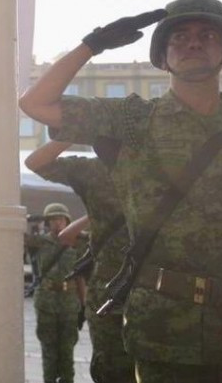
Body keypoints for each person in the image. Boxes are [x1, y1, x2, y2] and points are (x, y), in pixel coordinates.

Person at [18, 0, 222, 382]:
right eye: (179, 36)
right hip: (165, 332)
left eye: (208, 34)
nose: (193, 42)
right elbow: (35, 104)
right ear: (163, 57)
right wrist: (93, 44)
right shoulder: (134, 120)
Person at [25, 140, 134, 383]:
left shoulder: (154, 164)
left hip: (137, 294)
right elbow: (35, 162)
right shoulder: (96, 170)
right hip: (112, 296)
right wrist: (72, 131)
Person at [23, 203, 84, 383]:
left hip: (69, 302)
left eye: (61, 219)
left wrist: (83, 304)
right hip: (46, 301)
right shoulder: (39, 242)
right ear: (47, 222)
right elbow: (18, 234)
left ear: (67, 221)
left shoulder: (78, 243)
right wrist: (31, 219)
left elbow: (80, 276)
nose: (57, 223)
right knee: (48, 351)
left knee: (67, 352)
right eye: (53, 219)